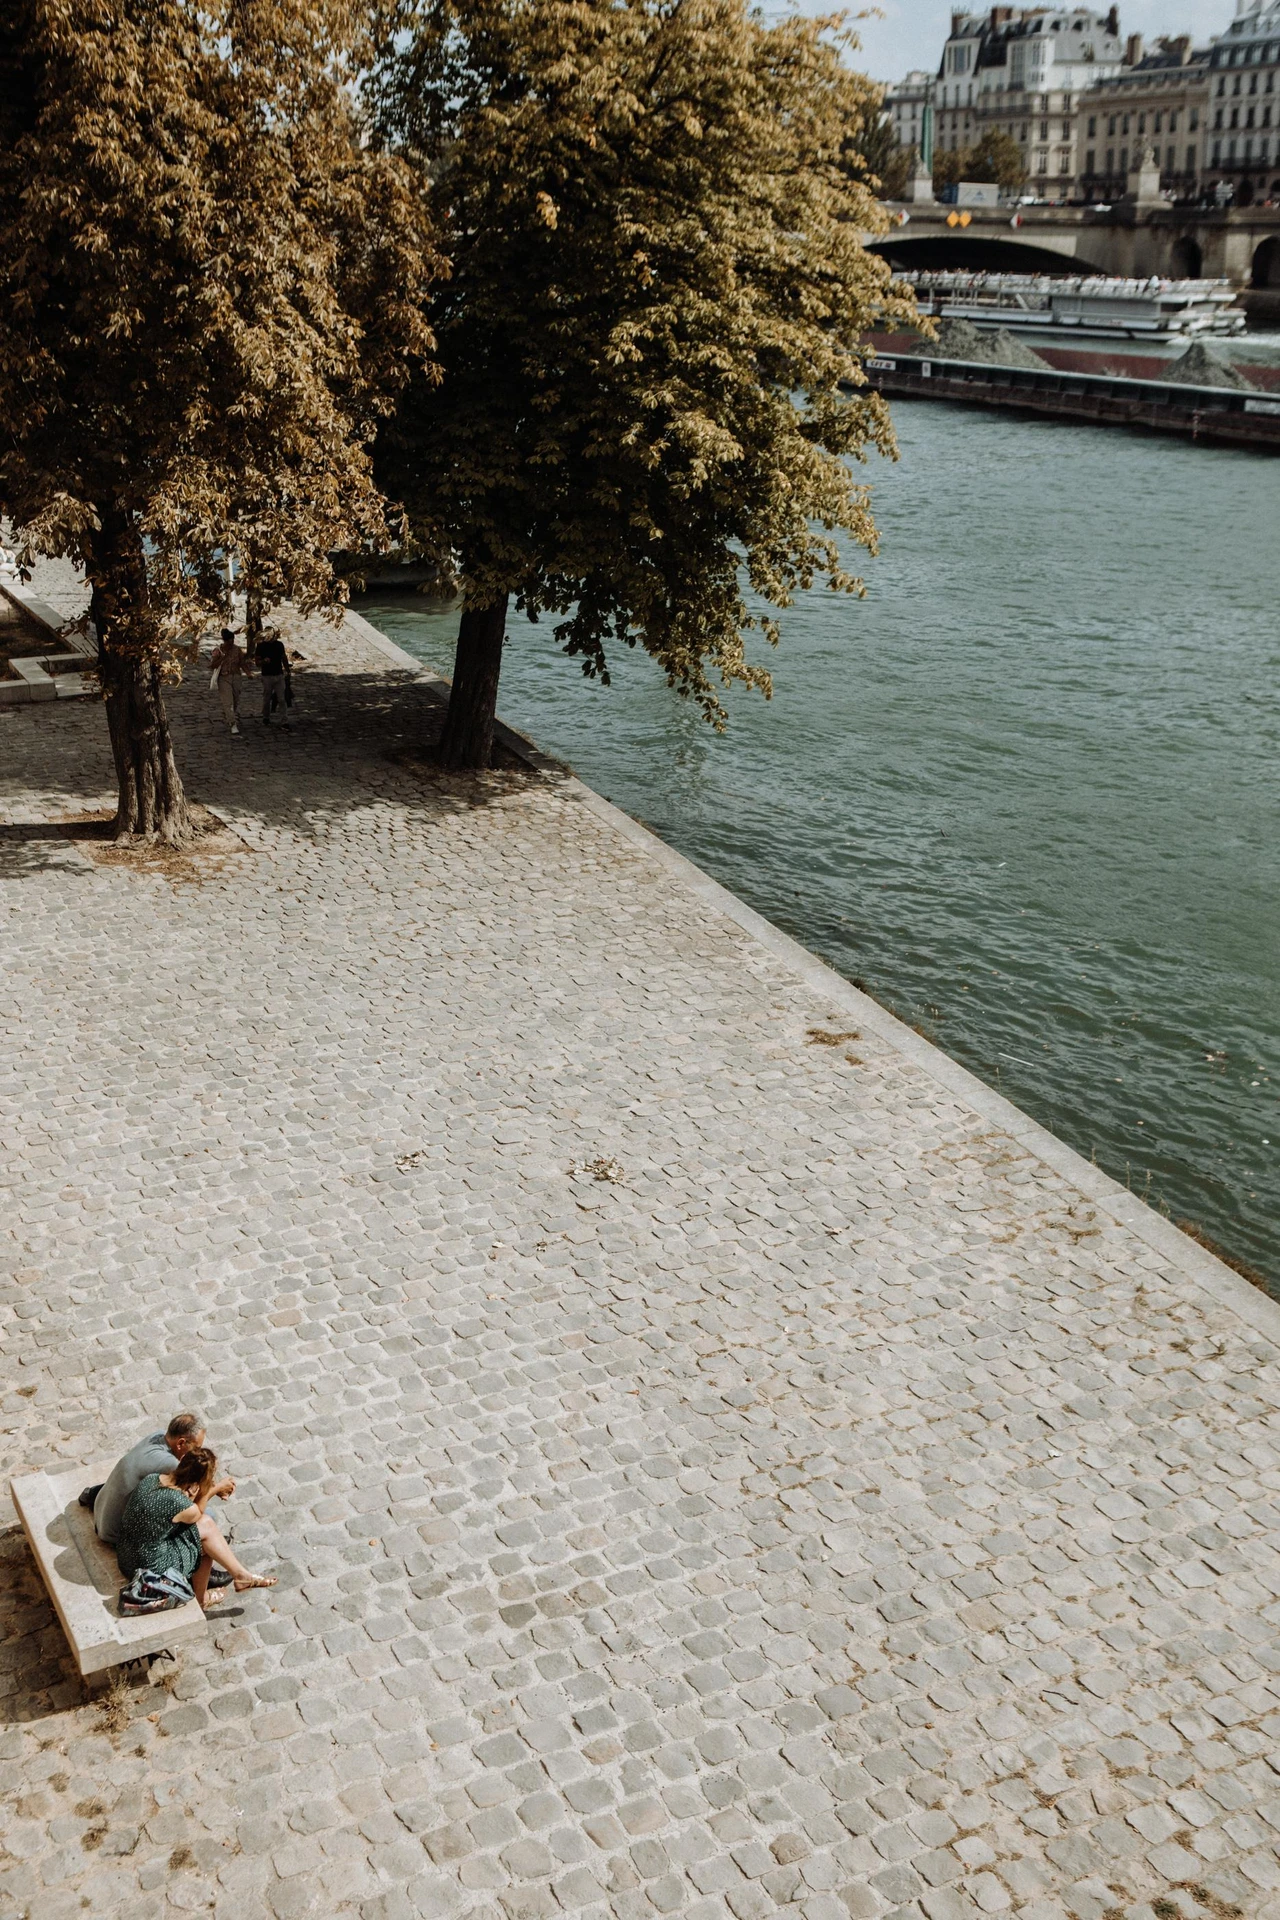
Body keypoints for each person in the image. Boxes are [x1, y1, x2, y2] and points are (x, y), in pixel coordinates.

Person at [115, 1447, 276, 1609]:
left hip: (126, 1555)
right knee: (205, 1543)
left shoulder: (153, 1478)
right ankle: (206, 1596)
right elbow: (196, 1512)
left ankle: (241, 1576)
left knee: (205, 1531)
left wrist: (208, 1488)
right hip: (148, 1568)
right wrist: (214, 1489)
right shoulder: (176, 1502)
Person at [210, 627, 250, 735]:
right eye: (229, 641)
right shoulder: (218, 651)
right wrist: (222, 658)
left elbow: (242, 662)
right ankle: (233, 723)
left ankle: (229, 715)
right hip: (224, 678)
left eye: (233, 640)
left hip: (236, 677)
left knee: (235, 700)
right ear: (225, 641)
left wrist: (248, 673)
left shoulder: (237, 650)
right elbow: (212, 665)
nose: (231, 643)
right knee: (228, 702)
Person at [254, 628, 292, 727]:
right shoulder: (261, 646)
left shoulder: (279, 645)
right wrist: (263, 661)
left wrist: (287, 670)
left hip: (278, 675)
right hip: (267, 676)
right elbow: (257, 662)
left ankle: (284, 720)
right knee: (267, 698)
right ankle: (266, 717)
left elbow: (283, 657)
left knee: (282, 699)